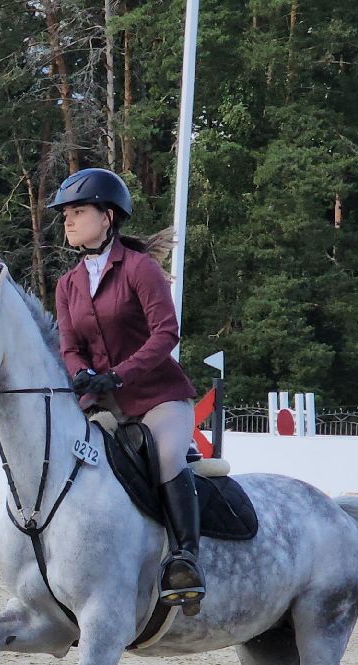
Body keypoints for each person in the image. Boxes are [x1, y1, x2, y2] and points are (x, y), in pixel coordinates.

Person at [48, 167, 204, 610]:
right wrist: (81, 375)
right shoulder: (67, 284)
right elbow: (69, 345)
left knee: (168, 455)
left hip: (157, 398)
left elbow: (165, 333)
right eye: (66, 214)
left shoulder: (140, 268)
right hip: (101, 404)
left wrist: (117, 375)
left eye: (79, 211)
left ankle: (185, 559)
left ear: (109, 217)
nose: (69, 221)